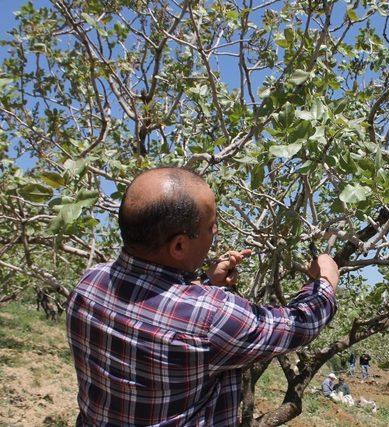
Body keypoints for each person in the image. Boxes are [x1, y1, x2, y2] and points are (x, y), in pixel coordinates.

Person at [65, 167, 340, 426]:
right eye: (211, 226)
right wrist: (325, 282)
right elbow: (300, 325)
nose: (215, 232)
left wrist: (206, 283)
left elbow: (157, 313)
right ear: (180, 244)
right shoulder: (212, 318)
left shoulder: (89, 283)